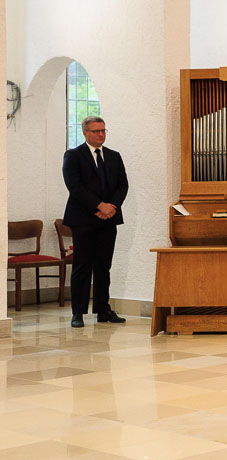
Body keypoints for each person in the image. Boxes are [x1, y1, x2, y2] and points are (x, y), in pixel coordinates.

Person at [62, 116, 129, 328]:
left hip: (108, 219)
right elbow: (75, 187)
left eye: (103, 131)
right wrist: (99, 206)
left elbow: (122, 185)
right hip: (83, 219)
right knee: (82, 266)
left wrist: (111, 207)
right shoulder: (73, 156)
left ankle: (102, 309)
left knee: (103, 265)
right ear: (85, 133)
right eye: (96, 131)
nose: (101, 134)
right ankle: (78, 313)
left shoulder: (113, 156)